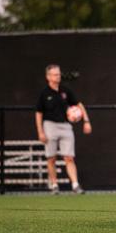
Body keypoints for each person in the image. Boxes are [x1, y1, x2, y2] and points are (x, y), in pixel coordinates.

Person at [35, 64, 92, 195]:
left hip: (66, 126)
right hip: (49, 126)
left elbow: (79, 105)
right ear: (48, 76)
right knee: (51, 158)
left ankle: (75, 185)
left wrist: (86, 121)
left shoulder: (65, 91)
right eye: (55, 74)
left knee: (69, 157)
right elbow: (38, 113)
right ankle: (54, 185)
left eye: (59, 74)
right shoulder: (44, 93)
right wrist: (40, 132)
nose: (58, 76)